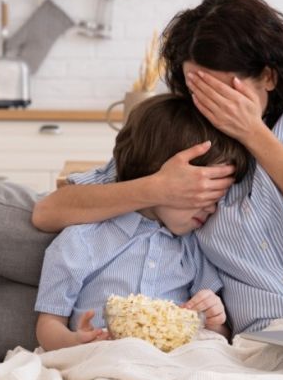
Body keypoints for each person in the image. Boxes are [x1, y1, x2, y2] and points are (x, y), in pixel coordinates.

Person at [32, 0, 283, 334]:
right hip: (263, 336)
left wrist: (253, 133)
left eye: (223, 93)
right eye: (198, 92)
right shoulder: (192, 130)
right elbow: (49, 212)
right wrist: (158, 187)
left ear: (268, 76)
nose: (212, 107)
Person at [34, 94, 251, 351]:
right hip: (98, 355)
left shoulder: (194, 247)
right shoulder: (82, 240)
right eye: (202, 193)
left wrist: (215, 320)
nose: (212, 207)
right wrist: (73, 341)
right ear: (161, 174)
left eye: (217, 198)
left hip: (172, 363)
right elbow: (48, 324)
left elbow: (217, 332)